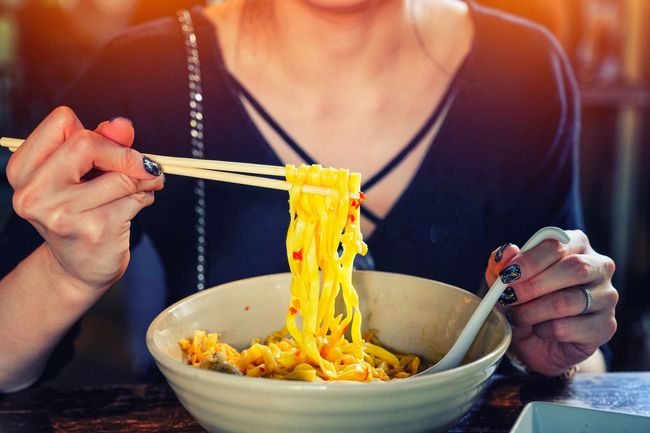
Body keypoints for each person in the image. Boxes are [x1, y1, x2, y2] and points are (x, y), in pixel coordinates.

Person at [0, 0, 618, 392]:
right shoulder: (147, 69)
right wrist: (64, 273)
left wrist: (553, 349)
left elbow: (579, 362)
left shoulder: (524, 69)